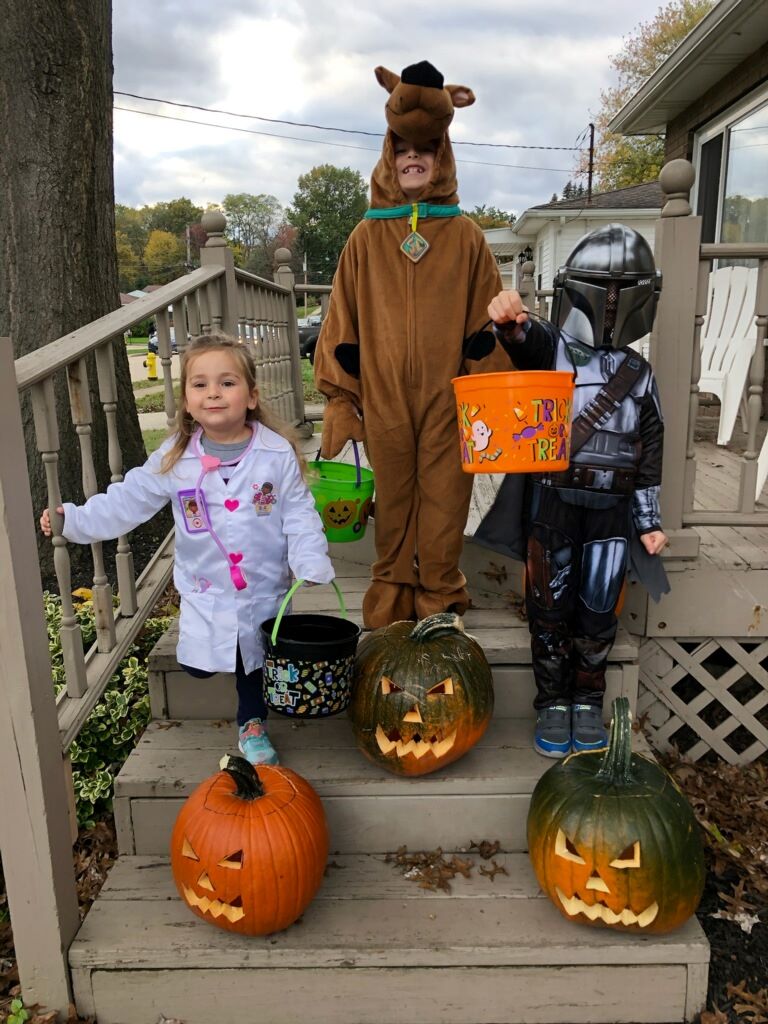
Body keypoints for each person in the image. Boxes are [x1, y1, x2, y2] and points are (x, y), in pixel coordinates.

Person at [40, 333, 334, 765]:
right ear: (187, 403)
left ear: (251, 397)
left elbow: (299, 513)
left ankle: (252, 724)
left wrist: (309, 557)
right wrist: (76, 519)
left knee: (253, 658)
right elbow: (128, 502)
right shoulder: (176, 459)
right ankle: (217, 665)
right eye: (199, 385)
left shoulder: (275, 455)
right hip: (206, 586)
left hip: (263, 586)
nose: (213, 392)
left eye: (227, 383)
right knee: (200, 664)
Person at [313, 60, 512, 629]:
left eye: (423, 153)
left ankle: (441, 596)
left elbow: (486, 323)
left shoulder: (468, 237)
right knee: (395, 497)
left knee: (446, 501)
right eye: (403, 153)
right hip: (383, 400)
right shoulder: (366, 236)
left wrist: (483, 393)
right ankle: (393, 594)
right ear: (389, 157)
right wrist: (339, 398)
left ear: (442, 157)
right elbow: (341, 321)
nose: (412, 160)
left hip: (450, 400)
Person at [480, 224, 668, 758]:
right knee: (548, 606)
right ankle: (552, 702)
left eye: (622, 291)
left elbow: (649, 452)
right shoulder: (552, 349)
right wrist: (511, 325)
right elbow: (522, 341)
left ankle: (587, 701)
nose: (610, 304)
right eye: (601, 290)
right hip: (555, 502)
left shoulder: (641, 374)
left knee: (598, 610)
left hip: (613, 508)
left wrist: (649, 521)